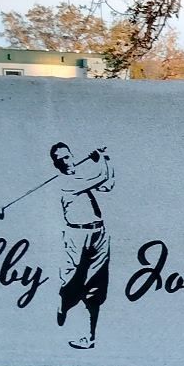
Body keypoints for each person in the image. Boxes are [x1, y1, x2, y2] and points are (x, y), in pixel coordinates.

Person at [49, 142, 114, 348]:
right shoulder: (63, 182)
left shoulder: (80, 179)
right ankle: (64, 303)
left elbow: (108, 183)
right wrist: (100, 160)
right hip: (77, 234)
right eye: (61, 160)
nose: (67, 162)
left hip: (99, 232)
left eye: (68, 156)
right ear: (56, 164)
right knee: (71, 279)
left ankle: (89, 336)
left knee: (95, 284)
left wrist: (107, 161)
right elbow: (100, 178)